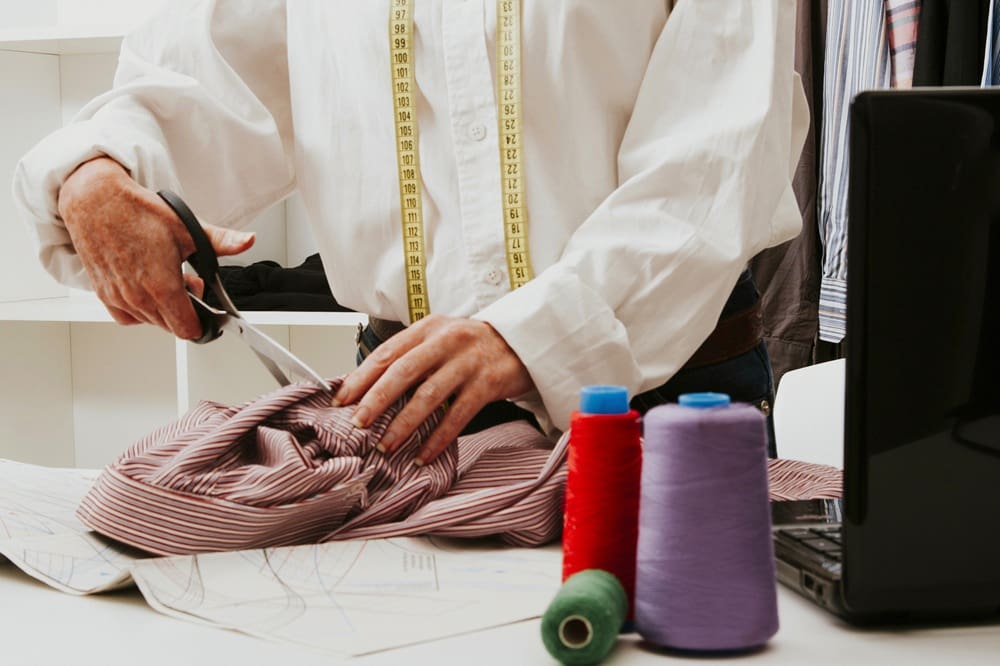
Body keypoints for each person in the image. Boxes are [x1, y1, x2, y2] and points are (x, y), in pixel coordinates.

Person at [14, 0, 808, 464]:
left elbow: (725, 144)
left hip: (666, 404)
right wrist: (95, 174)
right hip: (405, 416)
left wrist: (535, 335)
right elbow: (200, 87)